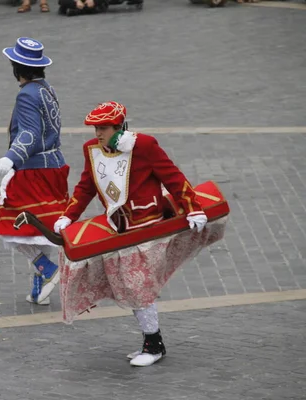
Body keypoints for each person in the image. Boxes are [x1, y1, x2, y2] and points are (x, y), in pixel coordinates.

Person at [53, 101, 208, 367]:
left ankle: (154, 344)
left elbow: (173, 177)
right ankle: (152, 342)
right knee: (132, 288)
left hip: (147, 229)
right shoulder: (91, 149)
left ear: (119, 126)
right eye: (95, 128)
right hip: (118, 229)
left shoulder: (144, 146)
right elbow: (86, 186)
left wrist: (193, 208)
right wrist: (69, 215)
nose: (97, 133)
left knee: (139, 289)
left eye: (103, 128)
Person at [0, 37, 69, 306]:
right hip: (54, 165)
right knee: (42, 227)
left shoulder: (26, 94)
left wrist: (12, 157)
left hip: (34, 170)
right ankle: (39, 289)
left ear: (17, 68)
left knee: (8, 222)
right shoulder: (47, 88)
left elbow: (30, 133)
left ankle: (47, 270)